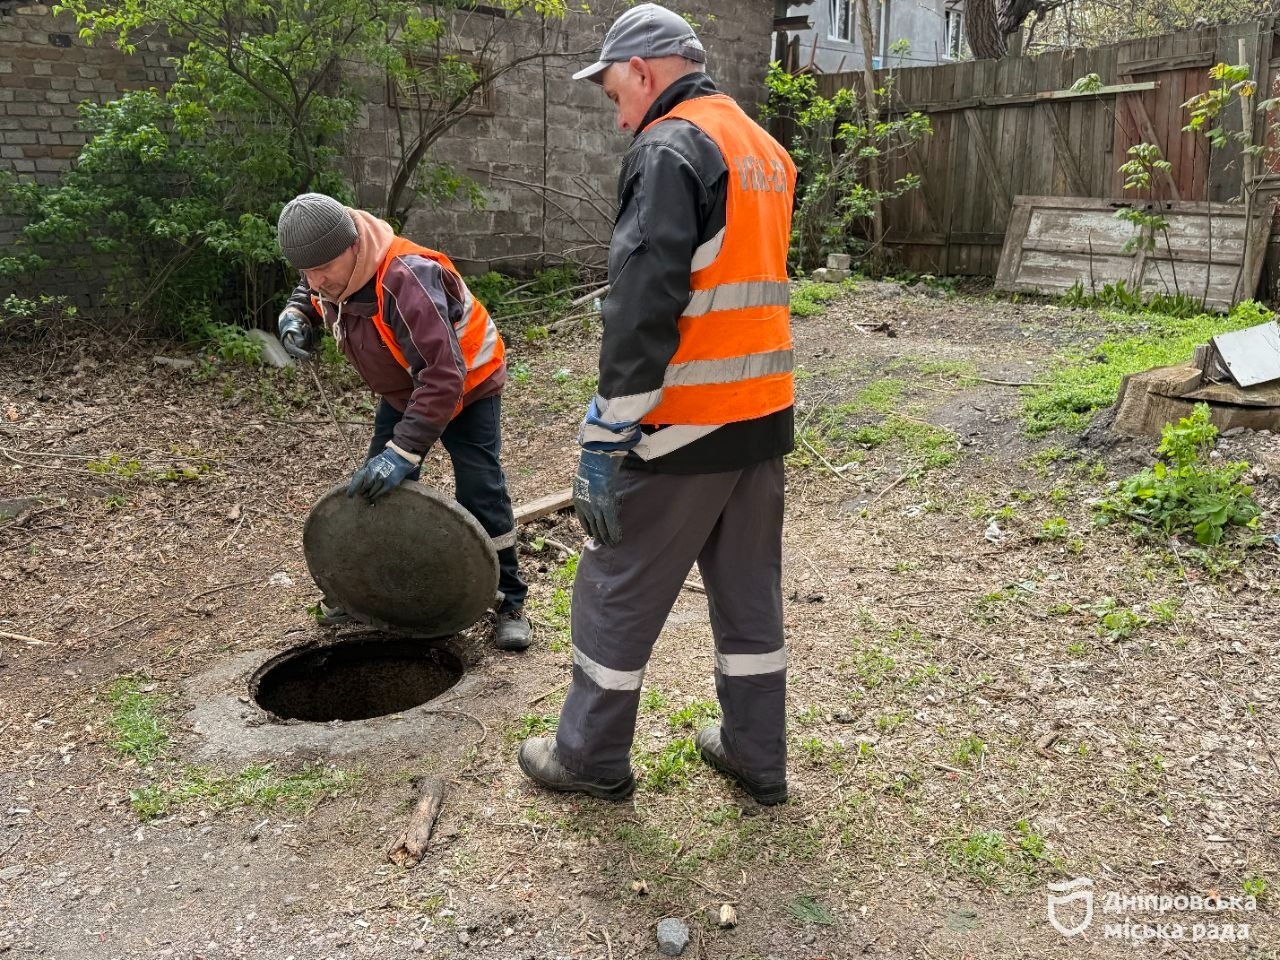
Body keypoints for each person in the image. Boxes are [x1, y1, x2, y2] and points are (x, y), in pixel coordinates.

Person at [516, 3, 796, 803]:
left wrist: (605, 437)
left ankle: (589, 756)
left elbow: (643, 307)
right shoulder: (763, 148)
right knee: (749, 597)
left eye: (615, 96)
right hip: (761, 418)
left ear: (644, 71)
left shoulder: (670, 148)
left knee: (614, 586)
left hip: (683, 427)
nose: (618, 115)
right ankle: (756, 754)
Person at [275, 193, 532, 651]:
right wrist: (297, 313)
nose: (315, 281)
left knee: (480, 488)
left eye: (322, 270)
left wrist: (404, 451)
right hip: (407, 390)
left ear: (353, 247)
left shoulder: (406, 279)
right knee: (376, 492)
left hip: (466, 385)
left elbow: (443, 375)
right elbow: (315, 289)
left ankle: (509, 601)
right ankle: (367, 592)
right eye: (305, 272)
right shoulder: (333, 271)